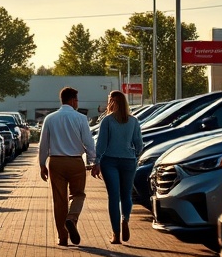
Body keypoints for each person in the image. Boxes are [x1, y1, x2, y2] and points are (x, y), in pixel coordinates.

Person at [38, 86, 97, 247]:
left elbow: (43, 144)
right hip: (76, 162)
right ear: (72, 100)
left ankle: (62, 237)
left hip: (56, 162)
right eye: (77, 100)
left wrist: (42, 164)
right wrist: (93, 161)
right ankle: (72, 218)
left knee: (59, 200)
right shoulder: (80, 118)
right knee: (78, 195)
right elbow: (88, 143)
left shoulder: (50, 118)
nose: (77, 103)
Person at [90, 90, 143, 244]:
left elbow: (101, 143)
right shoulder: (133, 121)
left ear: (111, 102)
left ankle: (115, 235)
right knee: (126, 195)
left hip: (109, 162)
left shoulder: (107, 121)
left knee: (113, 197)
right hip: (128, 160)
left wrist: (96, 161)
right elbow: (139, 143)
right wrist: (135, 155)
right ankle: (125, 219)